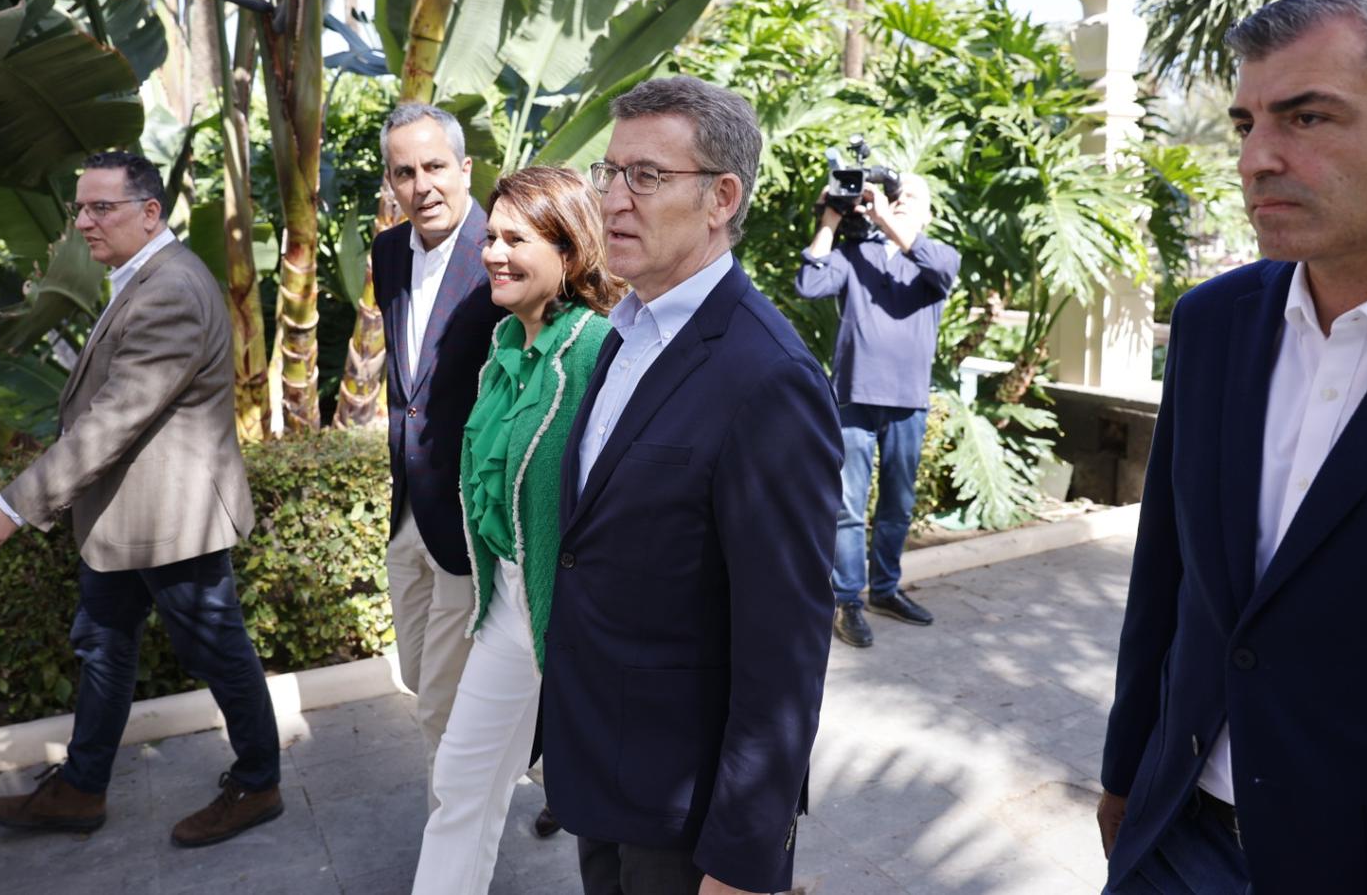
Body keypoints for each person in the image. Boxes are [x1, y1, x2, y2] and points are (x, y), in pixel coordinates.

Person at [1097, 0, 1367, 894]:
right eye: (1247, 123)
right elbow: (1168, 575)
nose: (1258, 157)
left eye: (1307, 118)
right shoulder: (1215, 323)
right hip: (1177, 836)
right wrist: (1124, 773)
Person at [543, 76, 843, 895]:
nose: (613, 199)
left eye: (646, 176)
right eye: (609, 173)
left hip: (689, 814)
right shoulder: (625, 330)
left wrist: (743, 858)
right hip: (604, 770)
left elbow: (785, 647)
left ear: (721, 199)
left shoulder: (767, 376)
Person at [0, 151, 282, 847]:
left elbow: (115, 418)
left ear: (150, 213)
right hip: (126, 518)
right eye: (81, 208)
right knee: (102, 645)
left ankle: (258, 783)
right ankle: (81, 788)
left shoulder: (170, 291)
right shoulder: (143, 276)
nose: (85, 222)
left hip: (174, 521)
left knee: (218, 652)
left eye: (102, 208)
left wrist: (12, 507)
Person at [411, 166, 620, 894]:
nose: (493, 252)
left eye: (516, 239)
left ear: (570, 252)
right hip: (506, 602)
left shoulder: (600, 350)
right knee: (462, 776)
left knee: (618, 816)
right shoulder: (502, 342)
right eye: (491, 236)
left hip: (581, 617)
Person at [371, 103, 505, 804]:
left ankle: (452, 858)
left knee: (437, 707)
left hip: (469, 517)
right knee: (418, 673)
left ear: (465, 169)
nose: (421, 185)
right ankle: (533, 748)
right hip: (407, 514)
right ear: (390, 182)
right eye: (404, 172)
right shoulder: (388, 252)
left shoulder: (504, 252)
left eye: (434, 167)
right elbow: (409, 390)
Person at [796, 172, 960, 648]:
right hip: (854, 397)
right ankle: (847, 599)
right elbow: (809, 283)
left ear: (927, 212)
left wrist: (886, 219)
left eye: (914, 198)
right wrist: (829, 220)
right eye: (898, 195)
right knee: (848, 508)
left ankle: (884, 590)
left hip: (908, 401)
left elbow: (941, 273)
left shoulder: (937, 257)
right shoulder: (855, 254)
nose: (904, 201)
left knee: (896, 506)